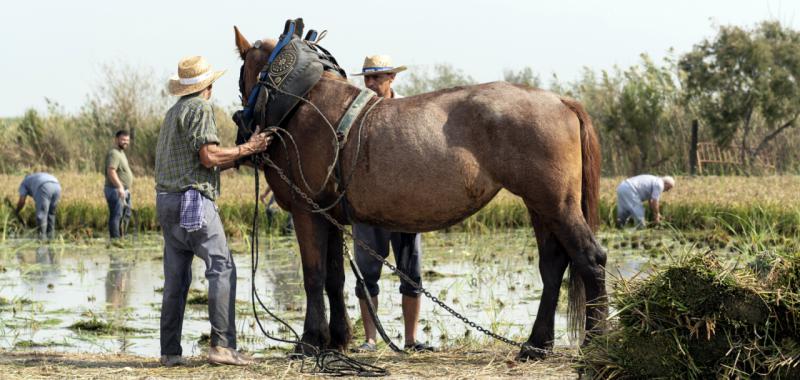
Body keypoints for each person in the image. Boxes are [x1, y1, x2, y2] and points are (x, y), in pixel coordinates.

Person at [155, 56, 271, 367]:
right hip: (193, 202)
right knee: (221, 266)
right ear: (208, 86)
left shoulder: (173, 113)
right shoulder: (201, 108)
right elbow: (208, 157)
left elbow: (200, 162)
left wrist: (239, 158)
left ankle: (170, 352)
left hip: (166, 202)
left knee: (176, 280)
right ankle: (222, 346)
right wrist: (250, 148)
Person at [350, 55, 434, 352]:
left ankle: (411, 340)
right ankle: (370, 339)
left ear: (392, 79)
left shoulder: (410, 111)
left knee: (412, 273)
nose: (371, 83)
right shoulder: (355, 112)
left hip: (405, 205)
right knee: (366, 273)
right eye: (367, 78)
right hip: (369, 205)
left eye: (377, 77)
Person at [104, 130, 133, 239]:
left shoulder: (121, 153)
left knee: (126, 215)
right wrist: (120, 187)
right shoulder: (114, 153)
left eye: (127, 140)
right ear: (116, 140)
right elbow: (111, 171)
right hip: (115, 190)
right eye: (123, 139)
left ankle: (122, 238)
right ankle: (115, 241)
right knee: (116, 216)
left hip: (123, 190)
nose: (125, 142)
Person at [15, 172, 61, 240]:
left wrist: (17, 211)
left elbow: (22, 201)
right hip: (57, 186)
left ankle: (41, 239)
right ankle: (51, 238)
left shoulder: (24, 183)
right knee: (51, 214)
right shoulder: (35, 177)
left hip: (44, 186)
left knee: (42, 214)